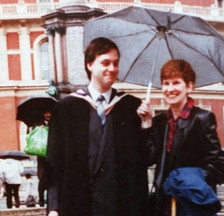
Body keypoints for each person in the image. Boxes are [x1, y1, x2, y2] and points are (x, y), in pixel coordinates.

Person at [46, 37, 148, 216]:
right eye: (106, 63)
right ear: (89, 65)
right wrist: (54, 207)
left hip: (120, 205)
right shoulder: (66, 108)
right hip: (79, 203)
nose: (112, 69)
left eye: (116, 63)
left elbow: (142, 161)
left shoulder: (130, 106)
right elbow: (54, 161)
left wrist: (146, 124)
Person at [137, 59, 224, 216]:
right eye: (166, 83)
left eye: (176, 83)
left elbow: (217, 166)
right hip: (164, 204)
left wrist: (185, 182)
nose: (170, 89)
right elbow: (149, 158)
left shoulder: (202, 118)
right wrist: (146, 124)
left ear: (189, 86)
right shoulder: (160, 122)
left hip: (192, 204)